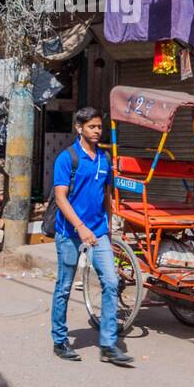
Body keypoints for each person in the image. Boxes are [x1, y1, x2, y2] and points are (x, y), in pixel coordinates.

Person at [51, 107, 133, 367]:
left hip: (98, 232)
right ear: (79, 128)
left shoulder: (104, 158)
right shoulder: (67, 158)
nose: (97, 131)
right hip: (69, 232)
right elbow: (61, 198)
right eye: (92, 127)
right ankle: (60, 340)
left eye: (99, 127)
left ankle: (108, 345)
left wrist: (109, 226)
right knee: (64, 287)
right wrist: (80, 227)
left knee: (111, 282)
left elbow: (106, 193)